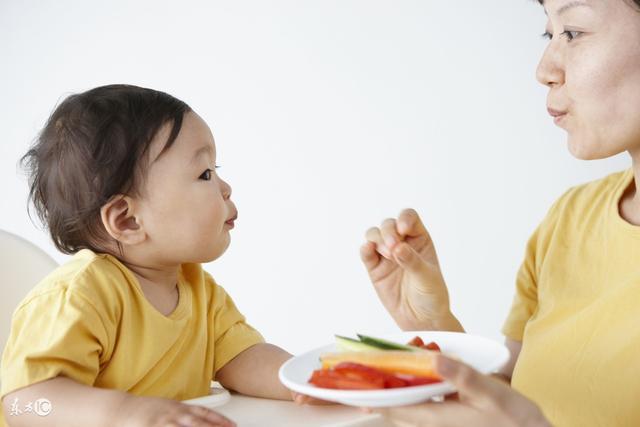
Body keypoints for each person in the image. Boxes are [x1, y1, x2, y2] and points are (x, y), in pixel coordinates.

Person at [361, 0, 640, 426]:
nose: (544, 69)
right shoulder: (570, 218)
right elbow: (513, 396)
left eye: (573, 32)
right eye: (550, 34)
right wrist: (436, 328)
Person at [0, 84, 297, 427]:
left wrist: (306, 381)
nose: (226, 187)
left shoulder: (199, 290)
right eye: (204, 174)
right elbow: (22, 405)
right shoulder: (80, 297)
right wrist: (129, 413)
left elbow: (242, 359)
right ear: (127, 220)